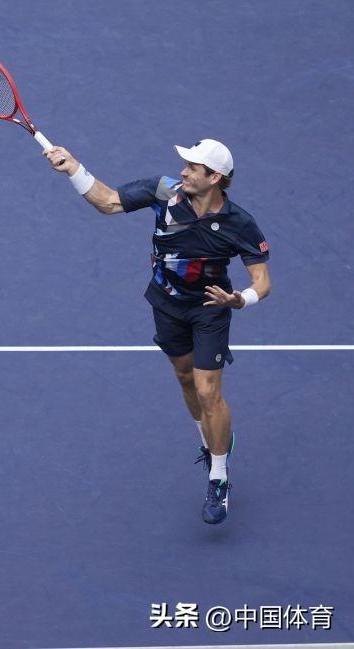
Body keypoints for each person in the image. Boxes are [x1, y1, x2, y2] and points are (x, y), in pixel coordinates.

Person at [44, 139, 270, 525]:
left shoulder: (239, 223)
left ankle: (218, 475)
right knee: (184, 376)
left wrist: (240, 300)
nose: (183, 172)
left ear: (214, 178)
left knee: (208, 391)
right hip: (166, 304)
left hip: (210, 309)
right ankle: (212, 440)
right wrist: (74, 168)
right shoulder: (164, 191)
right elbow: (109, 202)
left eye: (193, 168)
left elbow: (262, 281)